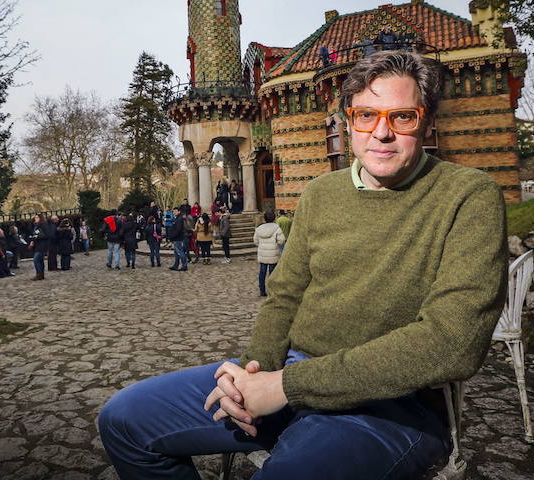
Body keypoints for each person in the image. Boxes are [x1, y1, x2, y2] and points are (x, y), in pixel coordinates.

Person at [99, 50, 508, 479]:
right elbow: (284, 296)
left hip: (391, 406)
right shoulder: (320, 193)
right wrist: (252, 373)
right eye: (365, 115)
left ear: (426, 121)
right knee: (124, 420)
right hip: (287, 374)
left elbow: (452, 343)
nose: (381, 133)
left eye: (402, 117)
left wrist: (283, 388)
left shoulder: (468, 195)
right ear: (348, 122)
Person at [254, 210, 285, 297]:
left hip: (263, 254)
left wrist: (262, 245)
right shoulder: (277, 228)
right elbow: (281, 240)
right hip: (273, 253)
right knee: (272, 272)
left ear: (265, 218)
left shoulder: (259, 229)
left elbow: (255, 241)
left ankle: (262, 290)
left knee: (262, 272)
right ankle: (272, 290)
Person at [166, 205, 189, 271]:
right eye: (173, 211)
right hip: (176, 238)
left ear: (179, 211)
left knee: (180, 252)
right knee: (176, 253)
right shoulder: (177, 218)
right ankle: (176, 265)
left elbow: (178, 230)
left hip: (178, 238)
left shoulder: (179, 219)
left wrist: (172, 236)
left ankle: (184, 265)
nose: (174, 212)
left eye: (176, 211)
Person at [28, 214, 49, 281]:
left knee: (36, 259)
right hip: (37, 244)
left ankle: (39, 274)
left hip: (42, 244)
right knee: (40, 260)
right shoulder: (36, 225)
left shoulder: (43, 225)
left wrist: (38, 236)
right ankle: (41, 274)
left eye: (37, 217)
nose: (35, 218)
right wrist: (33, 240)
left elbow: (46, 235)